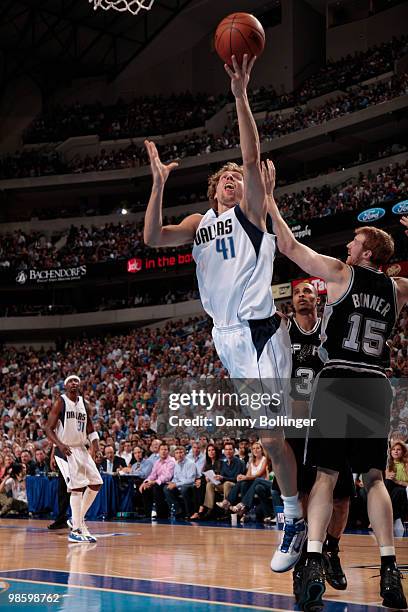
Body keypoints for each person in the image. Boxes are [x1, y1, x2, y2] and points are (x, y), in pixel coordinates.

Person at [144, 55, 304, 572]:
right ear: (214, 189)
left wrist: (239, 95)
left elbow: (253, 155)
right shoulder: (199, 222)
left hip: (260, 330)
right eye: (228, 177)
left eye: (240, 175)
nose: (236, 178)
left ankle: (292, 514)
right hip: (225, 338)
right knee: (273, 436)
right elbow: (150, 238)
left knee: (270, 436)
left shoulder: (251, 213)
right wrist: (158, 184)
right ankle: (296, 504)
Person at [267, 160, 408, 609]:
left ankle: (311, 561)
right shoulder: (397, 289)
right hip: (376, 381)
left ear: (367, 253)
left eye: (355, 241)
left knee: (326, 477)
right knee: (374, 479)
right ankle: (390, 571)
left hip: (339, 377)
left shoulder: (341, 273)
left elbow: (287, 245)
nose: (348, 244)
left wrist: (268, 197)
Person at [284, 281, 352, 600]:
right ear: (292, 300)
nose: (302, 295)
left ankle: (331, 550)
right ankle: (305, 557)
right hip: (297, 422)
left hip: (331, 418)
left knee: (341, 498)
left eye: (308, 291)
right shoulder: (283, 331)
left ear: (317, 297)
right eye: (297, 292)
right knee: (303, 493)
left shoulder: (330, 324)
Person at [45, 375, 103, 544]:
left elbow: (91, 429)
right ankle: (76, 529)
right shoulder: (60, 402)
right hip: (65, 449)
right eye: (70, 381)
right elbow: (48, 429)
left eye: (76, 381)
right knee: (76, 488)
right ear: (65, 386)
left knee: (96, 482)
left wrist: (97, 448)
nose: (74, 383)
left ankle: (78, 520)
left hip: (81, 449)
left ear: (80, 385)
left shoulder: (84, 404)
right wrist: (59, 445)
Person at [163, 446, 198, 518]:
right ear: (174, 455)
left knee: (184, 489)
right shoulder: (175, 464)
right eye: (177, 453)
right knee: (166, 488)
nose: (179, 454)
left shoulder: (190, 463)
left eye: (181, 452)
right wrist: (172, 483)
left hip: (190, 486)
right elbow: (175, 478)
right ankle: (177, 510)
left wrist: (176, 484)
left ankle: (189, 513)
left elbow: (191, 480)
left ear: (185, 453)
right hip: (179, 485)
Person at [385, 440, 408, 531]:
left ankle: (386, 518)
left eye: (398, 449)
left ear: (403, 452)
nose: (395, 451)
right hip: (389, 488)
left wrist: (397, 481)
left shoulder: (406, 465)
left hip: (403, 488)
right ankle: (391, 517)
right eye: (393, 449)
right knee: (388, 482)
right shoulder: (387, 465)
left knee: (399, 491)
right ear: (390, 452)